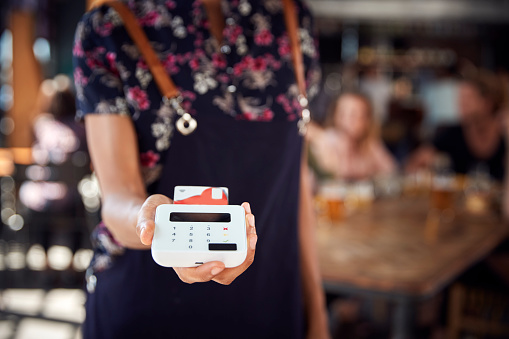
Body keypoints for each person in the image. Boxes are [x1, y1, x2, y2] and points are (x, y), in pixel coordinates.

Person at [72, 0, 328, 338]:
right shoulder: (110, 28)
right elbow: (118, 197)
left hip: (270, 308)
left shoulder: (293, 20)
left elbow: (294, 190)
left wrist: (317, 313)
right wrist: (151, 221)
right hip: (148, 311)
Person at [406, 69, 506, 181]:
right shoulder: (454, 132)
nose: (462, 104)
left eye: (469, 98)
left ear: (487, 103)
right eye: (460, 98)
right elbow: (416, 160)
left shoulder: (504, 133)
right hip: (462, 198)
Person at [307, 91, 397, 180]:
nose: (354, 120)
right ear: (336, 115)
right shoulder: (327, 140)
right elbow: (333, 175)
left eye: (361, 115)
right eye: (350, 114)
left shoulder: (370, 144)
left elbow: (391, 170)